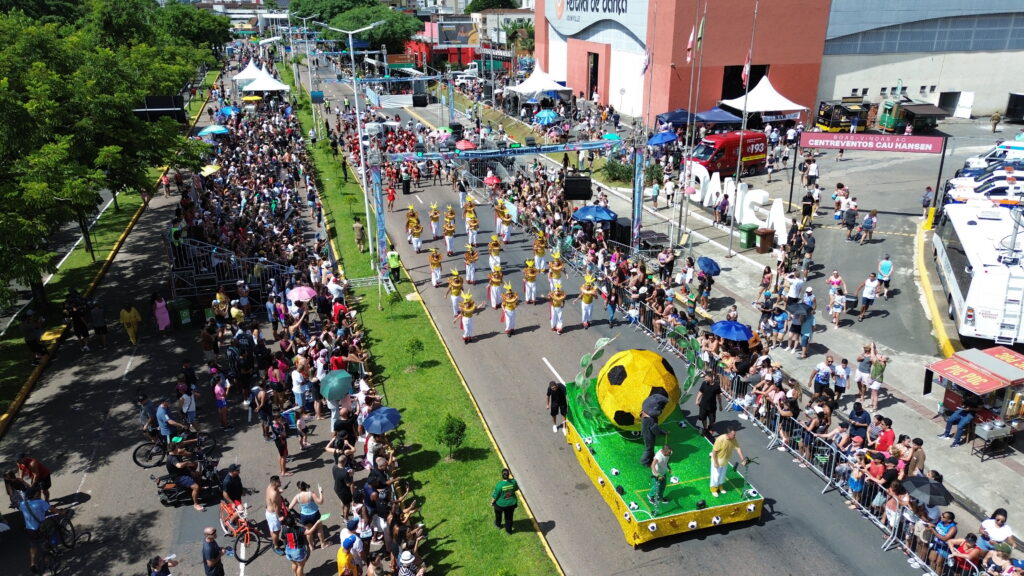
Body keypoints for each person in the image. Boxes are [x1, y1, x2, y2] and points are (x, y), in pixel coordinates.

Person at [18, 490, 55, 573]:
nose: (40, 494)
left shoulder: (23, 504)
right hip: (40, 528)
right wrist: (62, 512)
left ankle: (33, 564)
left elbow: (19, 506)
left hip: (30, 530)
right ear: (35, 495)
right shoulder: (40, 502)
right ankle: (48, 561)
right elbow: (52, 509)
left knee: (33, 546)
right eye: (38, 493)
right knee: (45, 544)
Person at [710, 426, 748, 497]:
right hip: (717, 460)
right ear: (728, 434)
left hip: (725, 460)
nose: (735, 436)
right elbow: (714, 452)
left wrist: (743, 459)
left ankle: (720, 487)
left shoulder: (733, 439)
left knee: (722, 475)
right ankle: (714, 489)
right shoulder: (720, 439)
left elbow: (738, 448)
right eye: (734, 434)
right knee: (715, 476)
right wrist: (715, 462)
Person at [166, 443, 205, 511]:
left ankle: (200, 489)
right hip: (179, 477)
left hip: (183, 472)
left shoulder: (174, 454)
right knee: (196, 487)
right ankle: (196, 504)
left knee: (198, 474)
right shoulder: (172, 458)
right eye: (177, 447)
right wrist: (187, 463)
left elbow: (185, 453)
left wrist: (195, 450)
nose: (178, 448)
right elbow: (179, 466)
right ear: (174, 449)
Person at [289, 481, 327, 549]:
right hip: (315, 514)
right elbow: (320, 502)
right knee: (319, 529)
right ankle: (322, 544)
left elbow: (290, 507)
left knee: (308, 531)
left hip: (304, 516)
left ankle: (311, 546)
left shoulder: (297, 497)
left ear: (299, 488)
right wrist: (321, 492)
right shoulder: (311, 494)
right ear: (306, 486)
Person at [639, 394, 669, 466]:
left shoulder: (644, 413)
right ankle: (645, 461)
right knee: (648, 449)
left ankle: (651, 457)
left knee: (649, 447)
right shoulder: (651, 419)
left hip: (645, 432)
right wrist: (663, 433)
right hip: (649, 436)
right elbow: (655, 429)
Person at [491, 468, 519, 534]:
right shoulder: (513, 482)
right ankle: (509, 531)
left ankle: (498, 524)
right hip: (511, 504)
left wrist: (492, 502)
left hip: (500, 505)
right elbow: (516, 489)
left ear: (502, 475)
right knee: (509, 518)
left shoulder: (499, 485)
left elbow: (495, 496)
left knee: (498, 514)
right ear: (508, 475)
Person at [266, 475, 287, 555]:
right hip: (273, 514)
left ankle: (276, 541)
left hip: (270, 513)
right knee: (276, 531)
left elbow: (276, 491)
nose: (280, 482)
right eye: (279, 482)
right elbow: (276, 507)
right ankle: (276, 547)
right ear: (275, 483)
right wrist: (280, 517)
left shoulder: (270, 487)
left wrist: (279, 491)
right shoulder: (274, 494)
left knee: (274, 530)